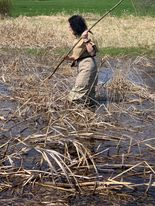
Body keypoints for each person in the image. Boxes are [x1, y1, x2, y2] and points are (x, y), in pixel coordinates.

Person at [64, 15, 98, 108]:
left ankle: (68, 113)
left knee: (77, 93)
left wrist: (86, 39)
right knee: (87, 97)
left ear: (76, 26)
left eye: (70, 26)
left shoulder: (87, 35)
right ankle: (90, 116)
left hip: (88, 66)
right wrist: (69, 58)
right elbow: (77, 56)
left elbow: (92, 53)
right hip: (82, 65)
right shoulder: (77, 38)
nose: (69, 28)